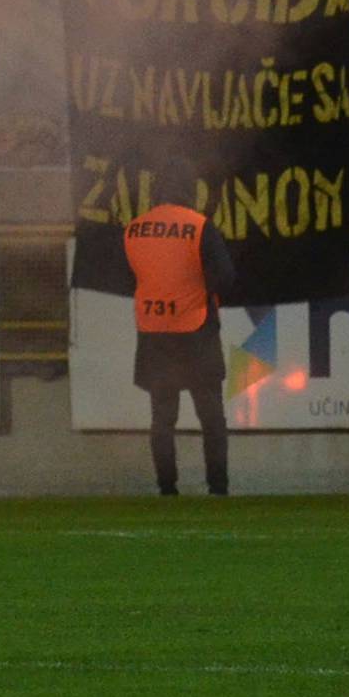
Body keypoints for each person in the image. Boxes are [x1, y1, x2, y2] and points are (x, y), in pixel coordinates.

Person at [122, 156, 236, 500]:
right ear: (190, 190)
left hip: (154, 332)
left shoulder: (134, 228)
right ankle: (217, 488)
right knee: (211, 417)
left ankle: (167, 489)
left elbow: (132, 275)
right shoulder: (199, 226)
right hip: (196, 329)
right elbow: (226, 277)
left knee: (162, 419)